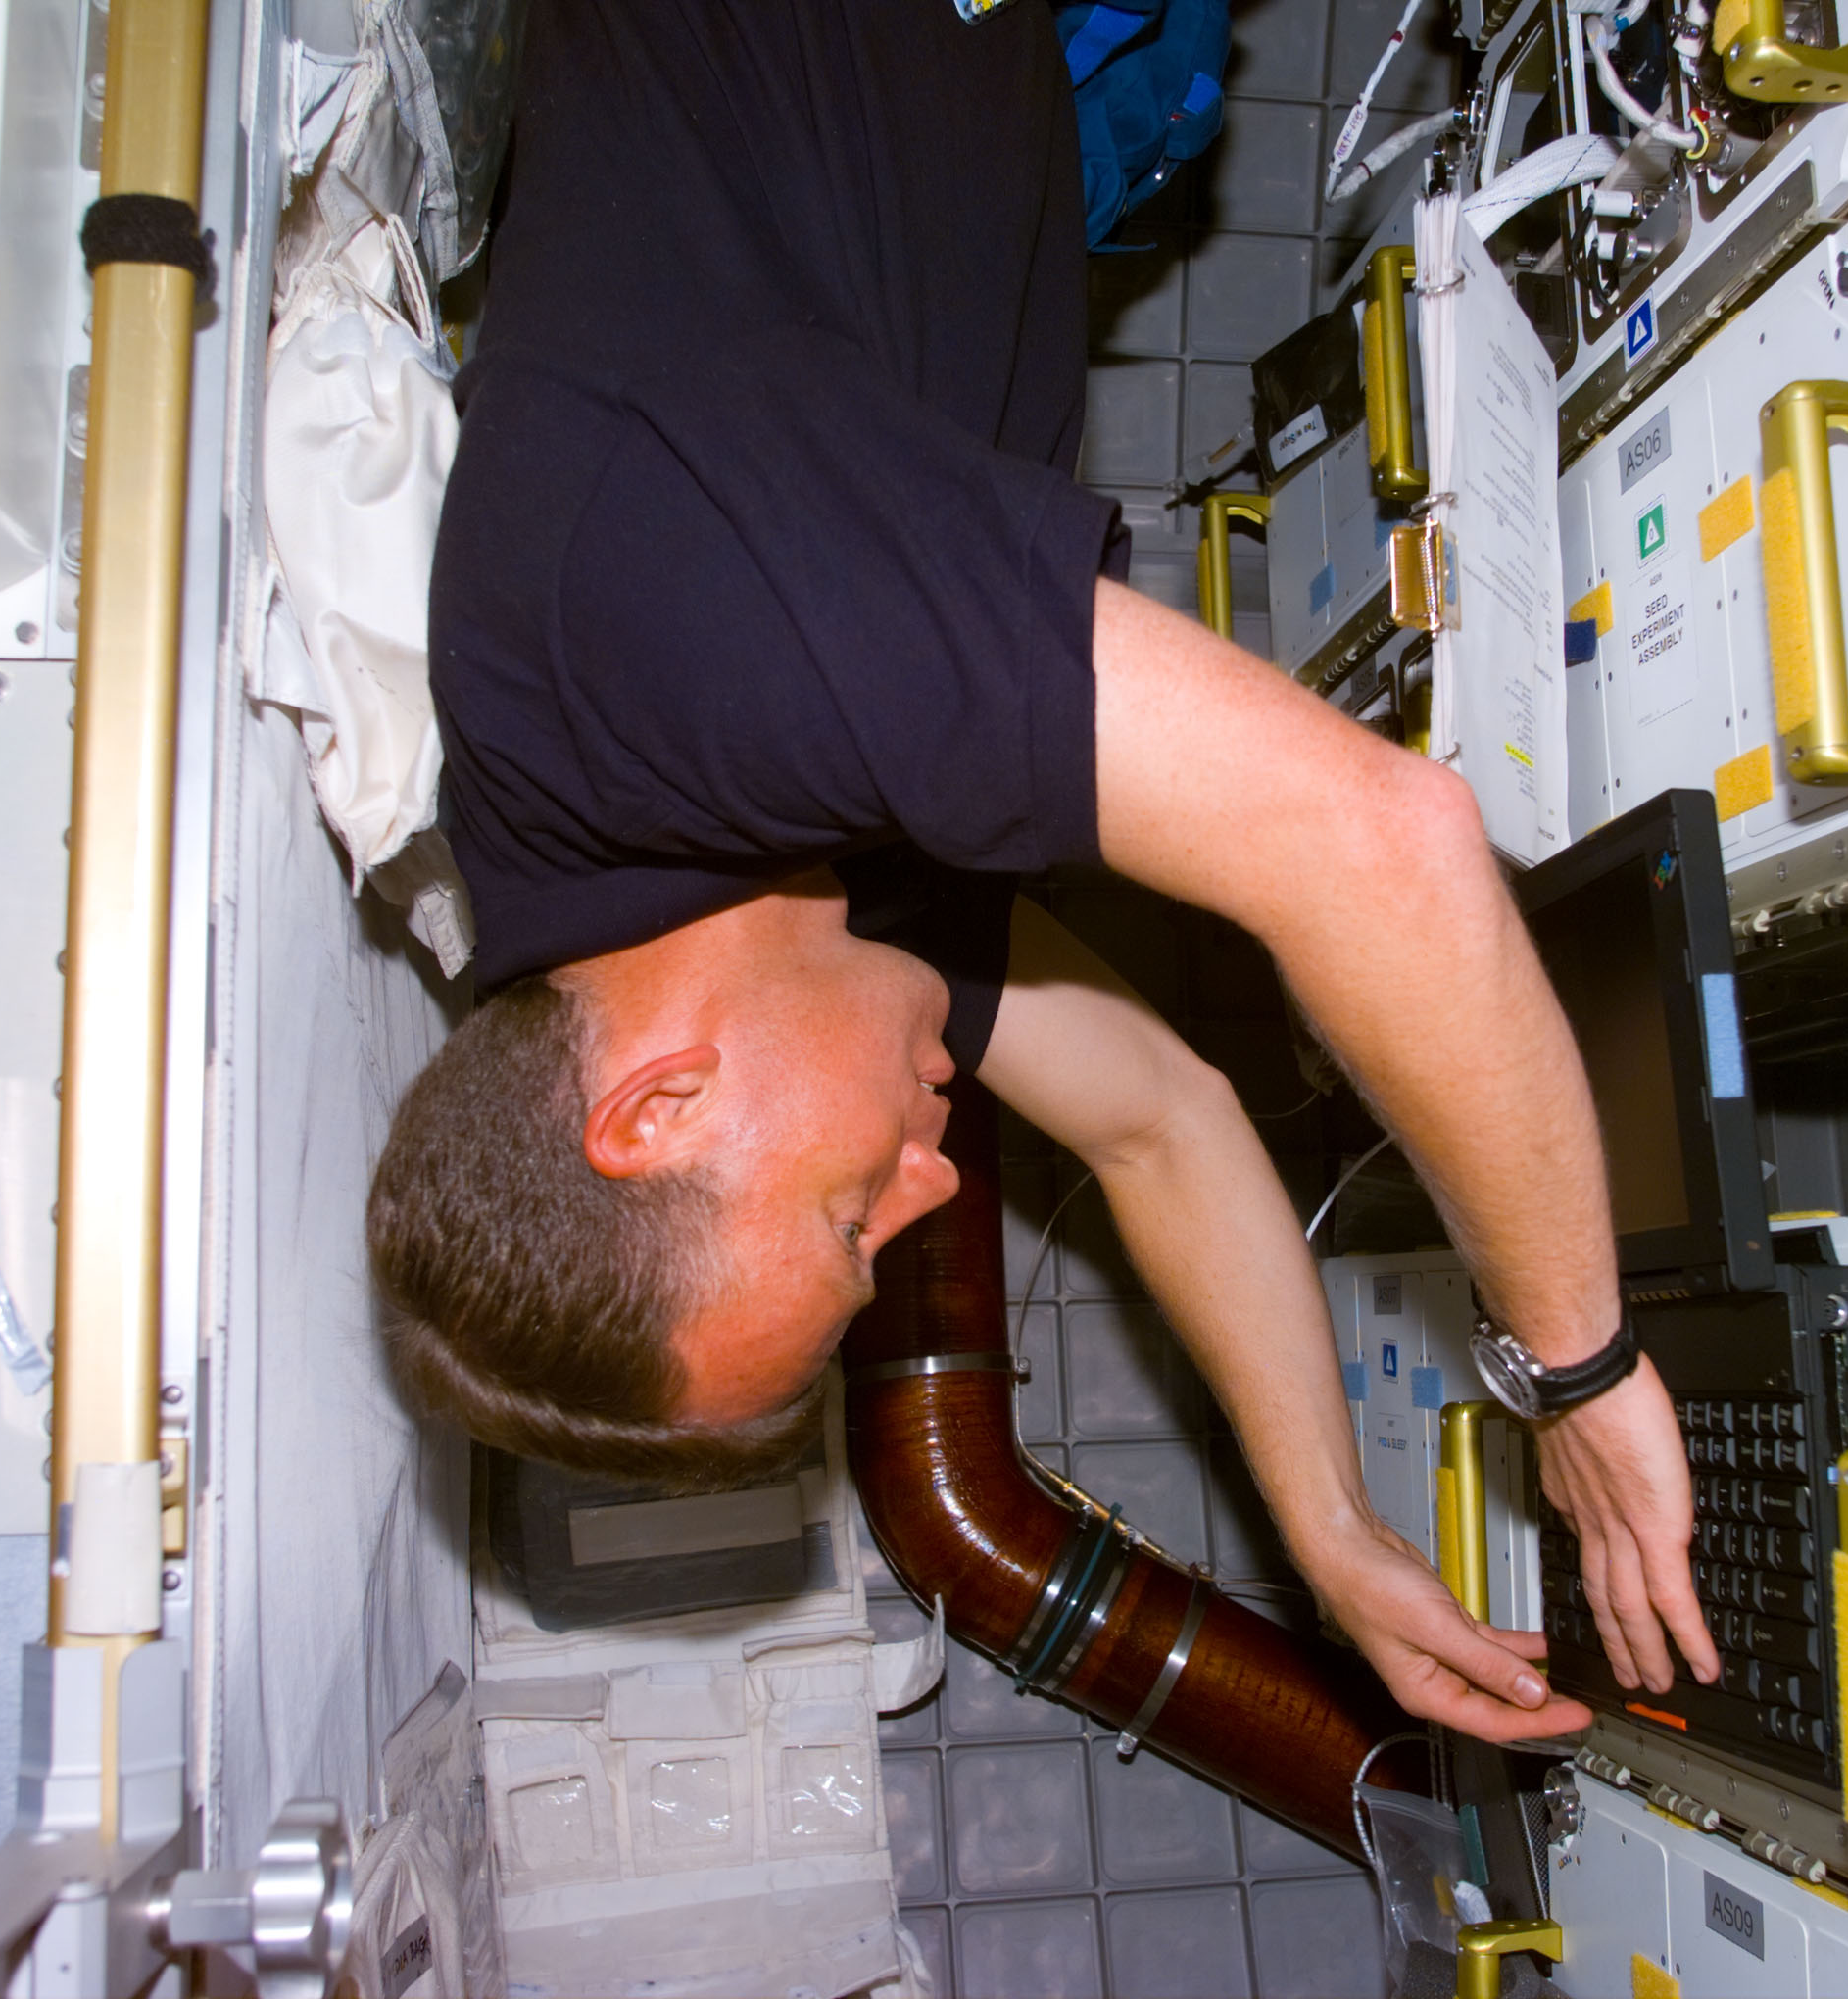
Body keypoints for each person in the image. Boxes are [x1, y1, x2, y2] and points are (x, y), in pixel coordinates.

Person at [367, 0, 1717, 1741]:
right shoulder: (734, 911)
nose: (932, 1193)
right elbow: (1157, 1116)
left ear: (661, 1108)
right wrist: (1330, 1535)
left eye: (850, 1215)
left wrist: (1577, 1366)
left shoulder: (645, 653)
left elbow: (1377, 842)